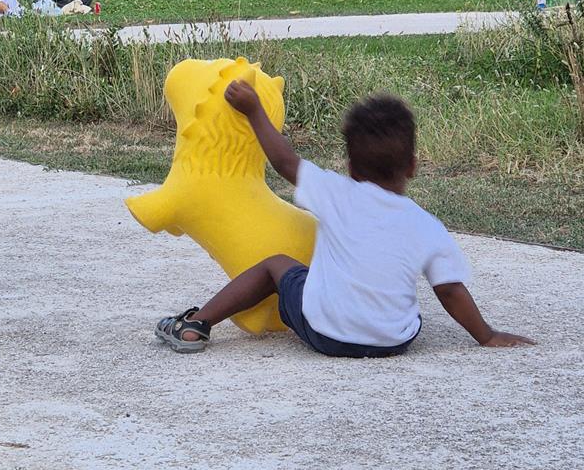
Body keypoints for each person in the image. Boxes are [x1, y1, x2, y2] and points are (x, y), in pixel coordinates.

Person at [155, 88, 534, 355]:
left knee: (277, 265)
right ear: (413, 167)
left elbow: (285, 162)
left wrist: (254, 110)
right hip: (393, 342)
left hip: (325, 335)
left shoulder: (335, 192)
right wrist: (486, 335)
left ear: (350, 167)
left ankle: (195, 325)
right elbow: (449, 290)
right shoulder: (427, 225)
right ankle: (386, 320)